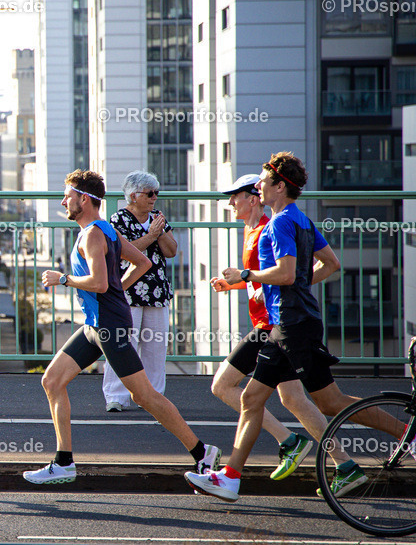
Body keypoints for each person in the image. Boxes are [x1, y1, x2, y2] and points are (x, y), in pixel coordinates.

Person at [186, 152, 405, 502]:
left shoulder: (279, 224)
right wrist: (296, 284)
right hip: (296, 321)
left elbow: (287, 274)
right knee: (275, 398)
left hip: (288, 324)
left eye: (262, 181)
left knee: (304, 400)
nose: (258, 186)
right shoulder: (301, 220)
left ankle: (230, 477)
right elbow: (330, 264)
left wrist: (247, 274)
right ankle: (231, 477)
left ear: (279, 186)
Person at [22, 169, 221, 485]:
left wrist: (63, 279)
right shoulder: (105, 231)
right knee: (52, 380)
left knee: (145, 397)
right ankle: (63, 463)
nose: (63, 202)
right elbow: (143, 263)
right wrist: (118, 288)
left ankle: (202, 453)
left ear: (84, 200)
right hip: (96, 325)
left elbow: (100, 283)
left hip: (108, 328)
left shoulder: (93, 234)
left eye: (68, 196)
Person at [209, 173, 337, 481]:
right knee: (294, 399)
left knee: (225, 387)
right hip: (277, 325)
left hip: (273, 326)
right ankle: (344, 463)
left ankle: (285, 444)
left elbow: (280, 275)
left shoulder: (270, 227)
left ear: (252, 198)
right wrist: (235, 284)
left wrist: (245, 276)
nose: (229, 203)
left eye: (234, 197)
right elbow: (263, 279)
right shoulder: (251, 229)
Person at [102, 171, 176, 412]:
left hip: (157, 291)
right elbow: (124, 251)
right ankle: (116, 396)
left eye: (156, 193)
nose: (154, 198)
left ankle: (154, 398)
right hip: (128, 290)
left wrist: (161, 232)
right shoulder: (118, 220)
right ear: (133, 196)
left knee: (155, 347)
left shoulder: (158, 219)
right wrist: (151, 235)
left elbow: (171, 251)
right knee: (123, 345)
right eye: (150, 193)